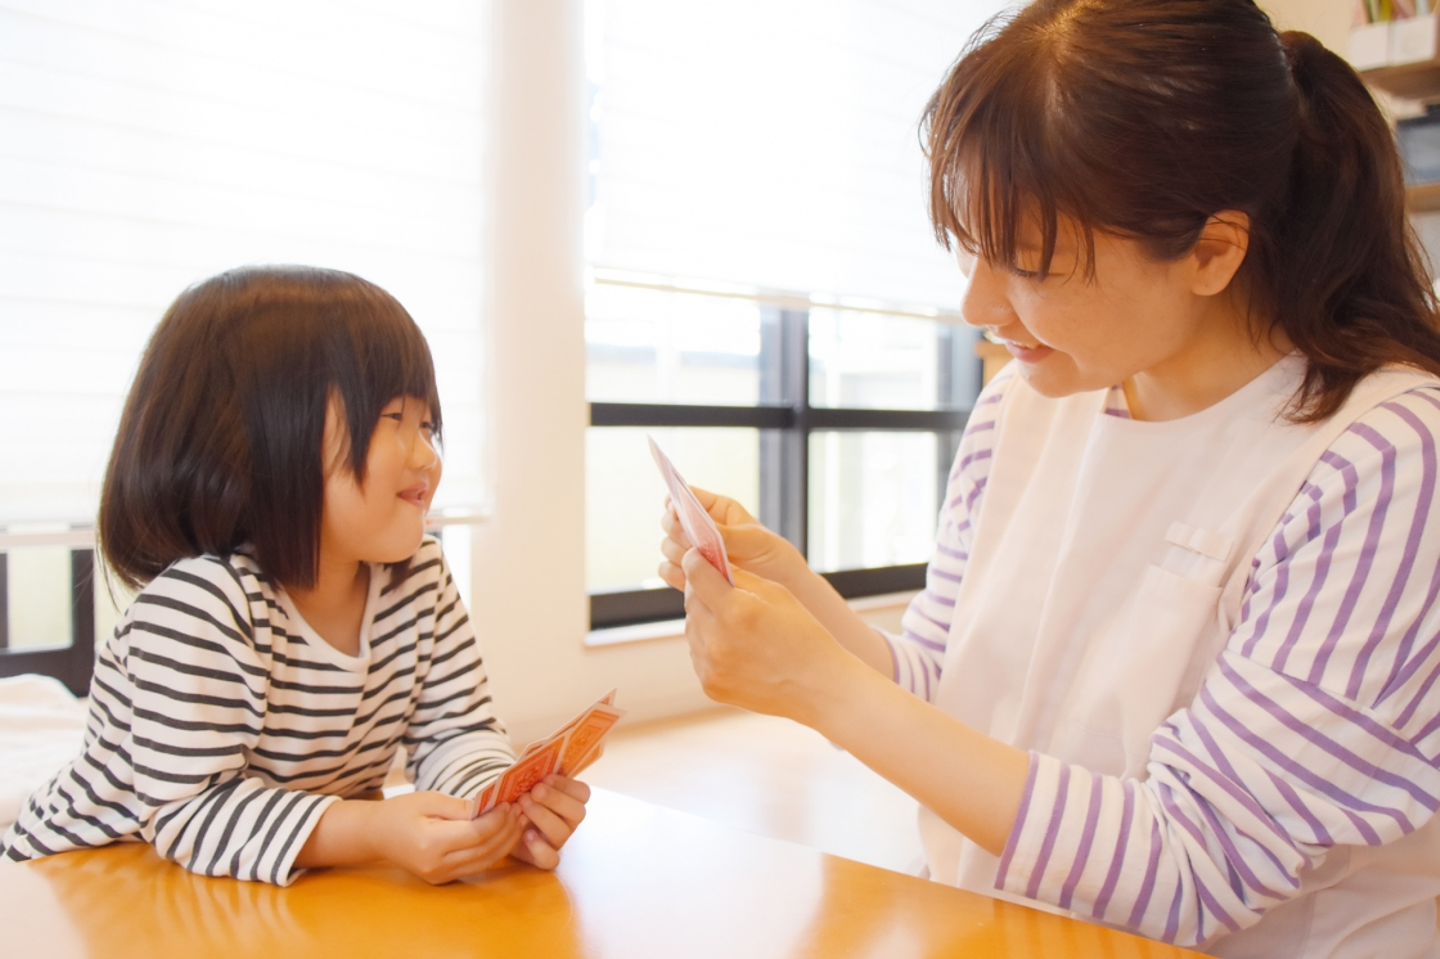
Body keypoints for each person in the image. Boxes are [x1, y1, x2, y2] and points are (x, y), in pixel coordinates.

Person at [660, 2, 1440, 956]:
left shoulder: (1388, 459)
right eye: (971, 245)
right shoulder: (1022, 406)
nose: (976, 303)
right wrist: (805, 609)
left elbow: (1197, 865)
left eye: (1028, 262)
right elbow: (952, 699)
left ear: (1211, 250)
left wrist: (823, 687)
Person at [1, 265, 590, 885]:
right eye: (392, 417)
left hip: (239, 894)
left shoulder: (419, 580)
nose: (427, 456)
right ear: (258, 437)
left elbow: (457, 731)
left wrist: (493, 807)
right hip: (82, 882)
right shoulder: (203, 605)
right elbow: (192, 813)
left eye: (427, 425)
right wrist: (371, 829)